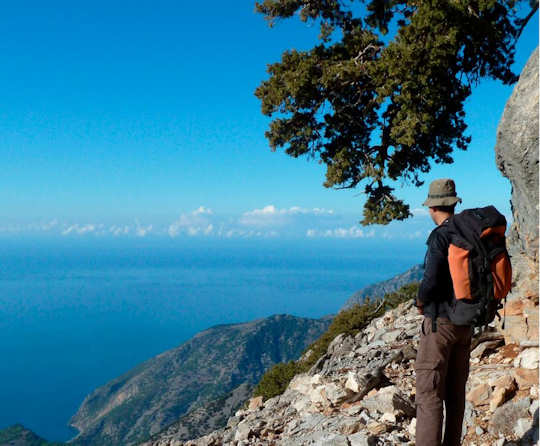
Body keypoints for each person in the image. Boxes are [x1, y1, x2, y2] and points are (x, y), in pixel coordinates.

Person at [414, 178, 473, 446]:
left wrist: (420, 301)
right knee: (455, 395)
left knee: (429, 395)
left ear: (432, 207)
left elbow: (431, 281)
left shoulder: (440, 236)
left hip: (440, 325)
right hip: (466, 323)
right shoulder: (468, 233)